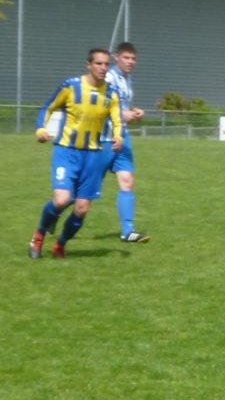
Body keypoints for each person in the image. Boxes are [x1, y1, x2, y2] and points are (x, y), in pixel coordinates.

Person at [28, 48, 124, 259]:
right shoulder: (71, 86)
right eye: (98, 63)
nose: (103, 68)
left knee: (81, 209)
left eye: (106, 64)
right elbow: (48, 107)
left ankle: (61, 244)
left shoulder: (111, 93)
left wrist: (119, 137)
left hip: (93, 155)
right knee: (62, 200)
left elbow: (117, 120)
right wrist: (41, 129)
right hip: (67, 151)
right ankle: (39, 235)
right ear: (88, 65)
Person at [102, 42, 150, 243]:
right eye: (126, 57)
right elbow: (100, 105)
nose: (131, 62)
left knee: (127, 181)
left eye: (133, 58)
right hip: (102, 138)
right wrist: (124, 114)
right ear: (116, 58)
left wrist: (134, 112)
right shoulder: (107, 77)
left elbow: (121, 106)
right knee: (84, 190)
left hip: (122, 136)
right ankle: (56, 211)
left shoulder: (127, 79)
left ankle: (128, 231)